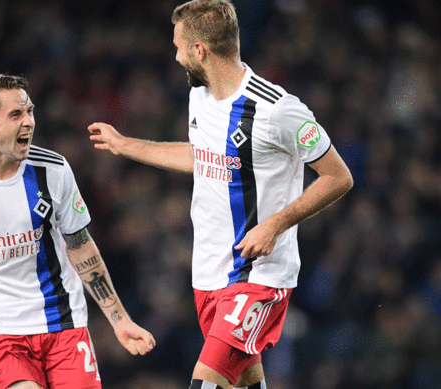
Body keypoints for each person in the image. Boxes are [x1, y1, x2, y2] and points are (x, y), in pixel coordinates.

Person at [87, 1, 353, 388]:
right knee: (245, 381)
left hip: (259, 277)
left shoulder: (277, 109)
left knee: (206, 382)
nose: (176, 56)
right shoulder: (201, 97)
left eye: (179, 46)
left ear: (200, 50)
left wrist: (274, 225)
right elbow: (202, 157)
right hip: (210, 274)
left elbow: (338, 176)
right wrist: (126, 145)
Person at [0, 74, 155, 389]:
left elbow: (81, 247)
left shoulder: (54, 170)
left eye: (30, 111)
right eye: (16, 115)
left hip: (61, 321)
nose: (29, 122)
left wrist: (119, 319)